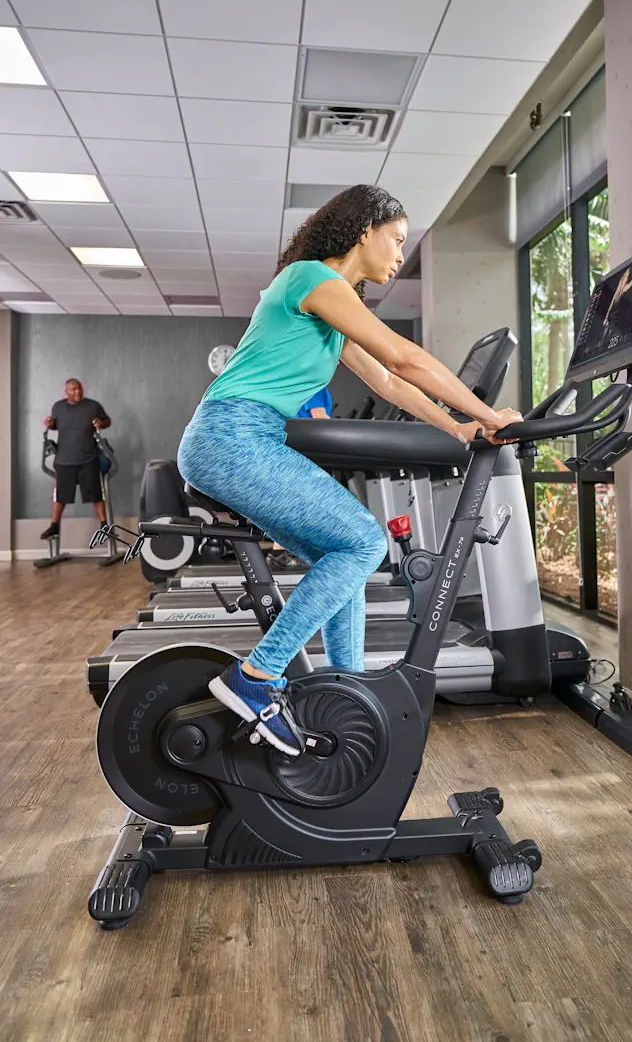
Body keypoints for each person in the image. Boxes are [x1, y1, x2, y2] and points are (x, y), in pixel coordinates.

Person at [177, 185, 521, 757]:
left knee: (342, 558)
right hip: (232, 435)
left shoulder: (334, 307)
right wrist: (489, 415)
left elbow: (388, 383)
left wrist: (459, 429)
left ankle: (346, 688)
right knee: (363, 542)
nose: (399, 256)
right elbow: (405, 358)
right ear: (365, 230)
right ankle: (256, 678)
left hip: (241, 436)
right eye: (396, 240)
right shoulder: (311, 278)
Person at [267, 387, 332, 574]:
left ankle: (280, 553)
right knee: (305, 501)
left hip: (291, 446)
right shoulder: (316, 384)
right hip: (304, 448)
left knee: (291, 500)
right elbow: (319, 417)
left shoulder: (301, 382)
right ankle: (286, 553)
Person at [41, 379, 111, 542]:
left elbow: (107, 421)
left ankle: (104, 526)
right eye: (73, 390)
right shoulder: (58, 407)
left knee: (96, 493)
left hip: (88, 458)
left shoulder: (93, 406)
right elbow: (55, 426)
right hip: (64, 459)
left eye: (79, 389)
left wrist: (101, 422)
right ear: (66, 392)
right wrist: (49, 424)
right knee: (60, 496)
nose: (77, 392)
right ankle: (54, 526)